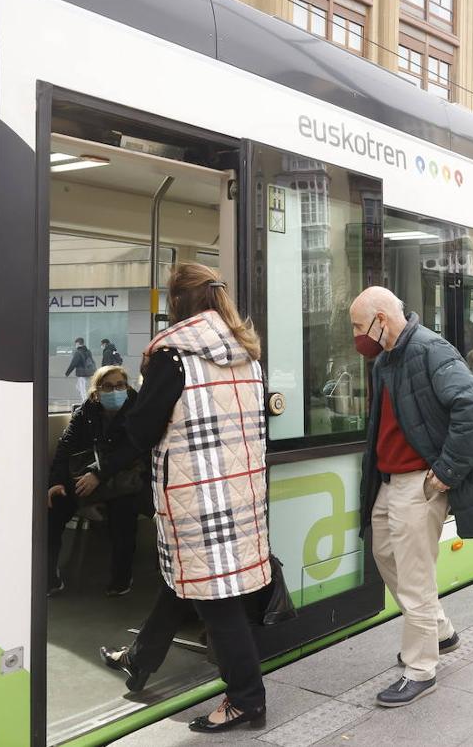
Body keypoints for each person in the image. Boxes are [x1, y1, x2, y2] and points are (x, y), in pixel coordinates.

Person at [96, 264, 272, 733]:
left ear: (177, 304)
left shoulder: (174, 357)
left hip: (196, 495)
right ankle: (139, 660)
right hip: (239, 492)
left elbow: (140, 430)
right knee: (184, 585)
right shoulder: (247, 354)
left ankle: (247, 699)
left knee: (216, 602)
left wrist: (99, 468)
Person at [349, 286, 473, 708]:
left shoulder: (430, 349)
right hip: (389, 480)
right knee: (386, 556)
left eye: (358, 326)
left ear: (381, 320)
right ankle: (439, 630)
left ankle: (421, 668)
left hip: (418, 481)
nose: (356, 336)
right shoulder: (385, 359)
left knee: (414, 573)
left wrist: (444, 474)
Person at [46, 365, 145, 597]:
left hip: (122, 479)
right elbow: (65, 447)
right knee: (53, 509)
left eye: (120, 385)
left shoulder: (138, 411)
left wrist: (98, 474)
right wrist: (56, 482)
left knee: (123, 514)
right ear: (97, 391)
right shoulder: (86, 412)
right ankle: (49, 577)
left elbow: (129, 451)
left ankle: (121, 578)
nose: (115, 391)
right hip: (86, 479)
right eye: (108, 386)